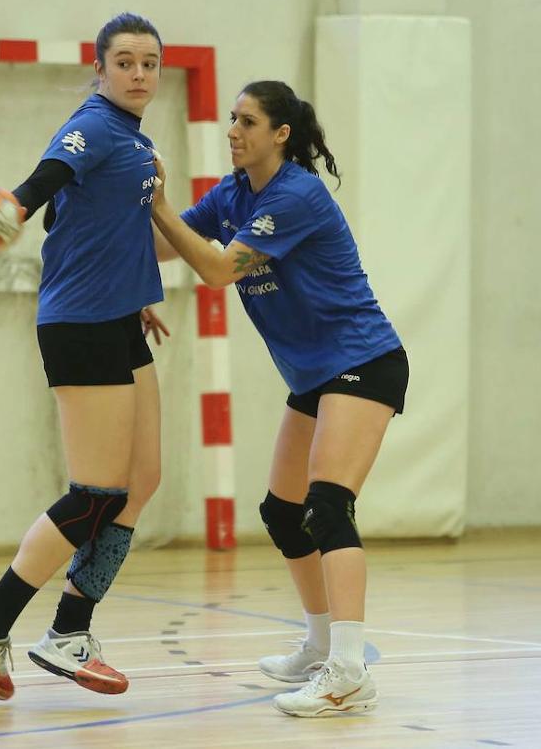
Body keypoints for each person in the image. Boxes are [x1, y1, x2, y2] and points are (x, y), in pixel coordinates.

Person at [149, 80, 408, 717]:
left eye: (247, 122)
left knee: (327, 506)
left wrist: (156, 205)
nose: (232, 131)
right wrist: (109, 222)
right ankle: (321, 647)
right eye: (231, 120)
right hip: (314, 376)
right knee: (283, 512)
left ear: (280, 134)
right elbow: (169, 245)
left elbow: (214, 270)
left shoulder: (294, 194)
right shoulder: (236, 192)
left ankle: (349, 672)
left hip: (362, 361)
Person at [0, 12, 171, 700]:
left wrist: (138, 292)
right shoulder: (96, 125)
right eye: (124, 61)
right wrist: (8, 207)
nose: (138, 73)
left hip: (120, 318)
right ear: (99, 70)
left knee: (141, 481)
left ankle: (70, 630)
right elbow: (49, 176)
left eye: (149, 63)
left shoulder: (136, 143)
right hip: (80, 324)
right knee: (93, 496)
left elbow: (105, 225)